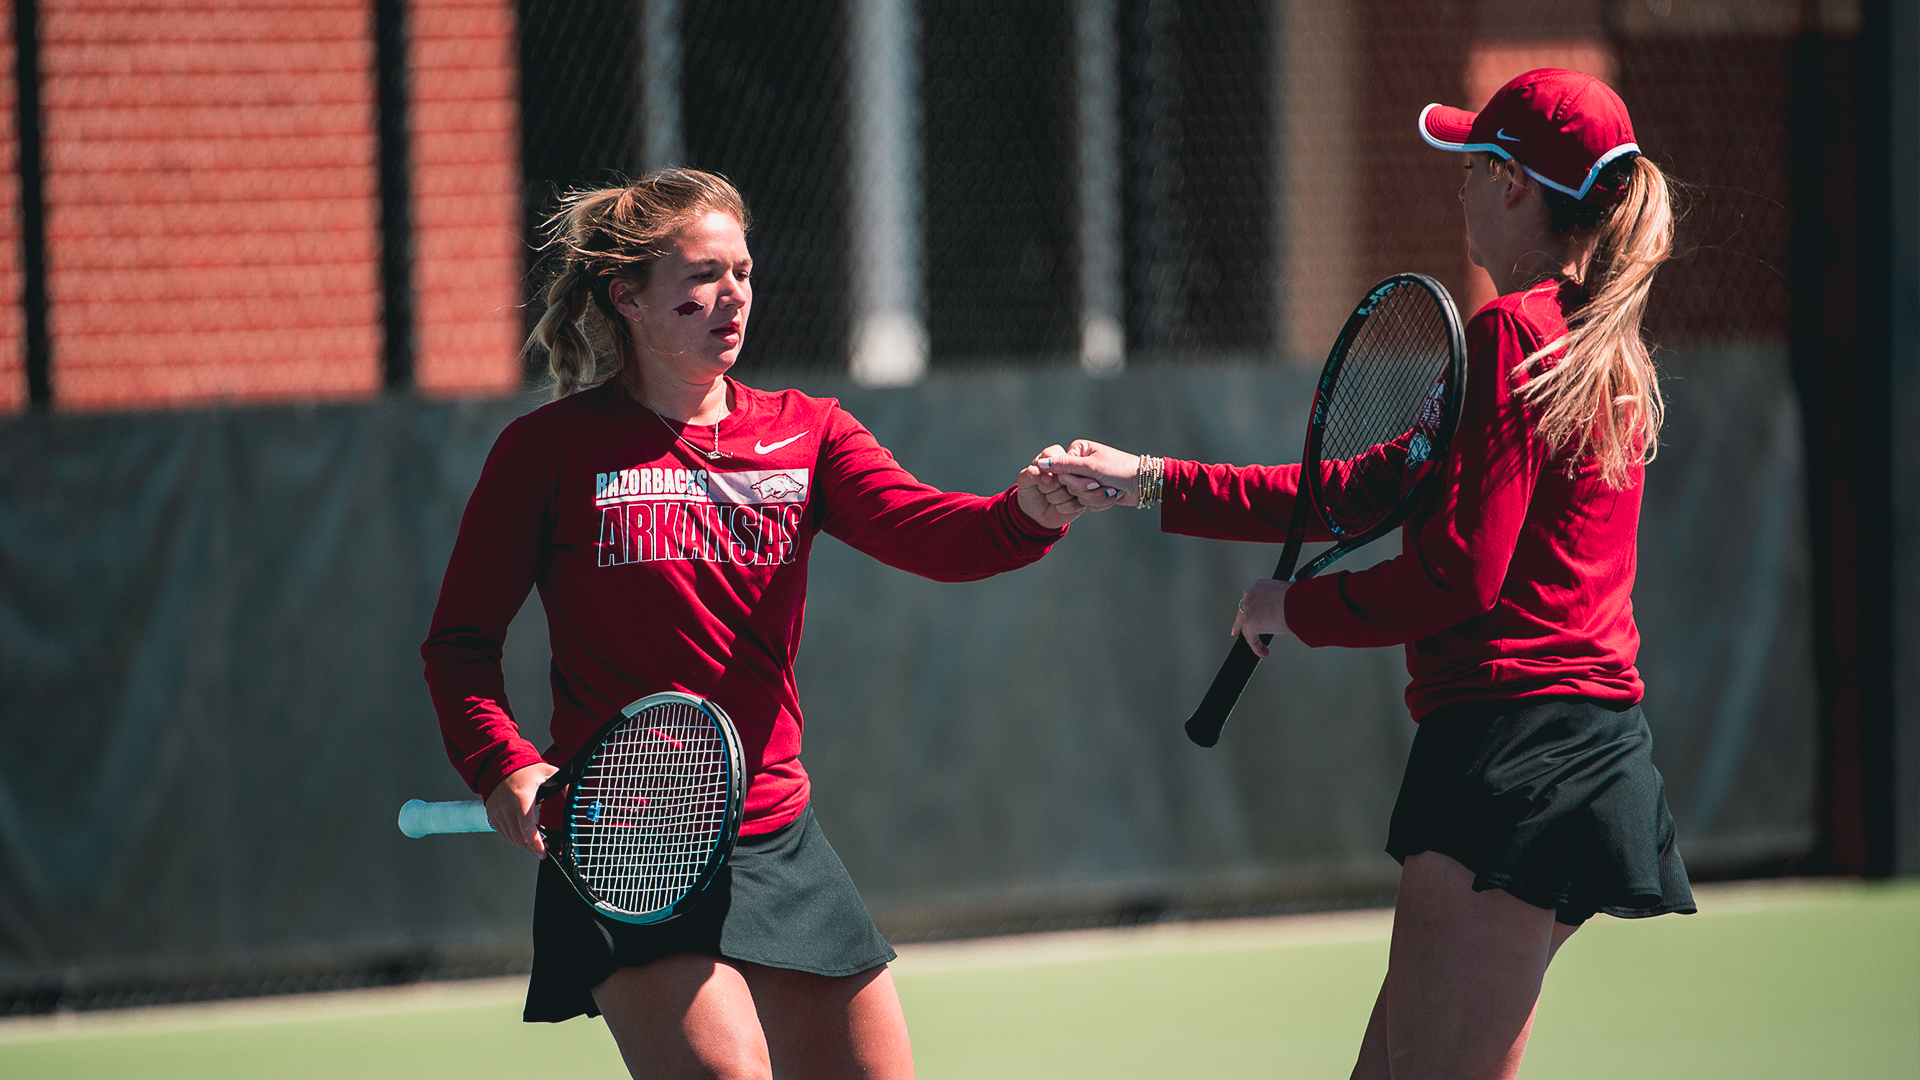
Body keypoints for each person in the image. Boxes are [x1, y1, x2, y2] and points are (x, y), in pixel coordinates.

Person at [1036, 69, 1693, 1079]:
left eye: (1472, 169)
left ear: (1513, 186)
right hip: (1564, 748)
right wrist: (1146, 484)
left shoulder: (1514, 335)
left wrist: (1295, 607)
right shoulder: (1577, 342)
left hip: (1513, 754)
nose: (1458, 191)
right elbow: (1356, 489)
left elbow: (1462, 575)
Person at [421, 167, 1081, 1080]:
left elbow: (937, 533)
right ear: (630, 298)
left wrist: (1028, 512)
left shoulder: (808, 432)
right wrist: (504, 764)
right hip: (628, 845)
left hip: (778, 832)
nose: (732, 296)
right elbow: (458, 645)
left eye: (743, 271)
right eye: (700, 277)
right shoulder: (547, 452)